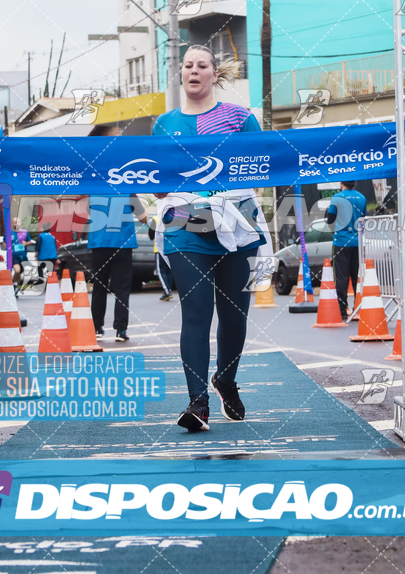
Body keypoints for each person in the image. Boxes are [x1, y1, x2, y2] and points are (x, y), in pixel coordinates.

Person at [153, 44, 271, 432]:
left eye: (202, 65)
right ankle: (197, 402)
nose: (193, 70)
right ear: (181, 73)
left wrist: (221, 190)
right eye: (187, 64)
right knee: (196, 313)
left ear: (214, 74)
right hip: (186, 225)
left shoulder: (240, 119)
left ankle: (226, 378)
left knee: (234, 316)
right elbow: (156, 184)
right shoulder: (164, 125)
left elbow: (262, 167)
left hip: (238, 223)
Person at [89, 195, 148, 342]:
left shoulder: (93, 191)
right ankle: (121, 330)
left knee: (99, 287)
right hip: (122, 244)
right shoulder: (128, 192)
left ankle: (96, 327)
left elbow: (90, 212)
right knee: (122, 289)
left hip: (99, 243)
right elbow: (143, 218)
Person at [325, 181, 367, 320]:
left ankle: (342, 310)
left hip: (341, 242)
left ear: (341, 183)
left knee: (341, 277)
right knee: (357, 277)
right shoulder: (362, 197)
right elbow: (363, 218)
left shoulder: (337, 198)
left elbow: (330, 219)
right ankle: (359, 308)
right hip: (357, 242)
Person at [11, 217, 32, 291]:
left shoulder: (25, 232)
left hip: (23, 256)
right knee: (17, 271)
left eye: (18, 222)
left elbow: (30, 241)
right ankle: (15, 285)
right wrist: (8, 248)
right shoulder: (9, 233)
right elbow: (4, 241)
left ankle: (16, 285)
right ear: (12, 224)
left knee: (19, 273)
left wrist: (26, 243)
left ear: (20, 223)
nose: (17, 224)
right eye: (15, 222)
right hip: (14, 256)